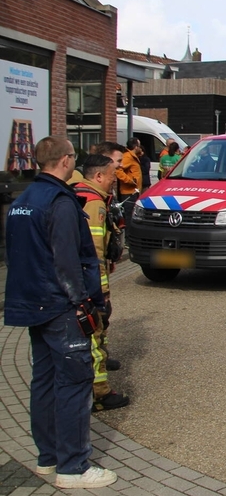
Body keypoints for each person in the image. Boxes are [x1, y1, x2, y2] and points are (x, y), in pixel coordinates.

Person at [3, 137, 118, 489]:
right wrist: (87, 305)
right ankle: (74, 466)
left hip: (32, 304)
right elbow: (69, 262)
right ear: (66, 160)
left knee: (45, 382)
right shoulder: (61, 202)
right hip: (61, 307)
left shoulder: (23, 201)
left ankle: (49, 458)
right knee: (73, 383)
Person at [74, 154, 131, 413]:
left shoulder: (79, 195)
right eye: (110, 175)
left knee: (97, 333)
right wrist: (101, 293)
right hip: (92, 281)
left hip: (84, 279)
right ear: (98, 176)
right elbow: (93, 252)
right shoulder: (94, 203)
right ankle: (100, 393)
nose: (113, 180)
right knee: (96, 329)